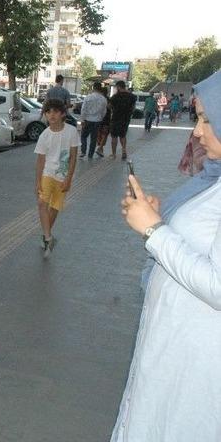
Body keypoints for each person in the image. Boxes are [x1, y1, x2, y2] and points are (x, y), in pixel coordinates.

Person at [112, 70, 221, 441]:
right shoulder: (215, 178)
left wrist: (155, 231)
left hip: (195, 363)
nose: (197, 130)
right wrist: (160, 220)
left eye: (207, 118)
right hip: (175, 349)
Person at [33, 99, 79, 258]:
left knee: (54, 209)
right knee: (41, 203)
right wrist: (38, 181)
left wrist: (69, 178)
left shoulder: (72, 131)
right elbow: (40, 160)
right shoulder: (44, 135)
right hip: (47, 173)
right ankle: (48, 237)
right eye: (48, 112)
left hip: (62, 176)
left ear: (62, 114)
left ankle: (47, 235)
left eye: (55, 111)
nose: (51, 115)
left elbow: (73, 157)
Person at [109, 80, 137, 160]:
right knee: (123, 135)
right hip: (126, 119)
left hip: (115, 118)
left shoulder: (115, 97)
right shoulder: (132, 96)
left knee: (114, 137)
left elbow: (109, 106)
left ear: (118, 86)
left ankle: (114, 154)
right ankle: (124, 150)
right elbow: (133, 108)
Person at [79, 82, 107, 159]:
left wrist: (82, 119)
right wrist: (100, 118)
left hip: (87, 120)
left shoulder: (88, 97)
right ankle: (90, 155)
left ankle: (83, 152)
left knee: (83, 136)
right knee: (94, 138)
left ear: (93, 88)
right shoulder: (103, 99)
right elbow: (104, 111)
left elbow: (83, 109)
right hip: (97, 121)